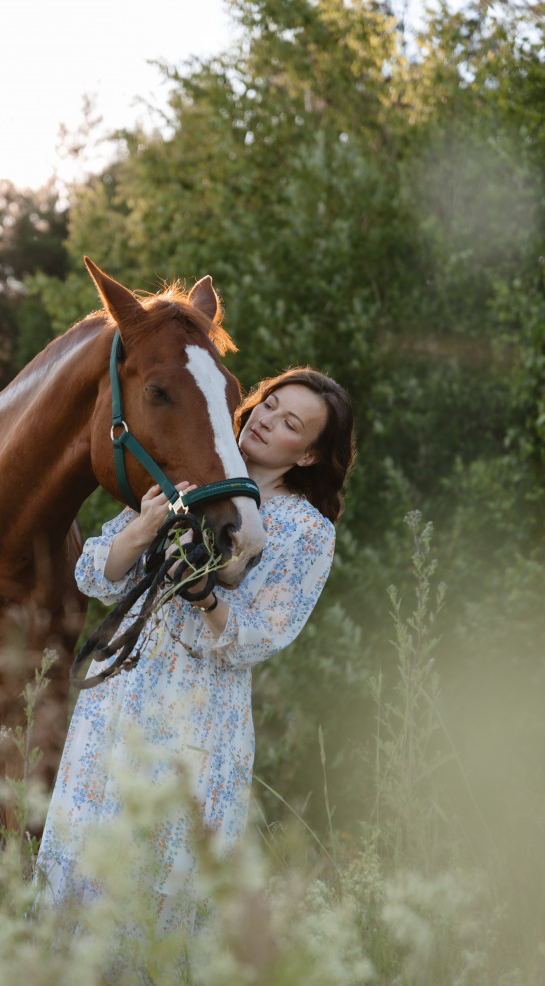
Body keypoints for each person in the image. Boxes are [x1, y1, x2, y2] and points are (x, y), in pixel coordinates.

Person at [35, 366, 356, 935]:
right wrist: (142, 528)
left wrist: (205, 595)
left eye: (290, 423)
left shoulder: (307, 532)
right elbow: (95, 576)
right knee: (84, 854)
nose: (265, 421)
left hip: (197, 717)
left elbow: (259, 637)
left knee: (160, 878)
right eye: (268, 403)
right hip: (117, 696)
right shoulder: (192, 471)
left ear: (307, 455)